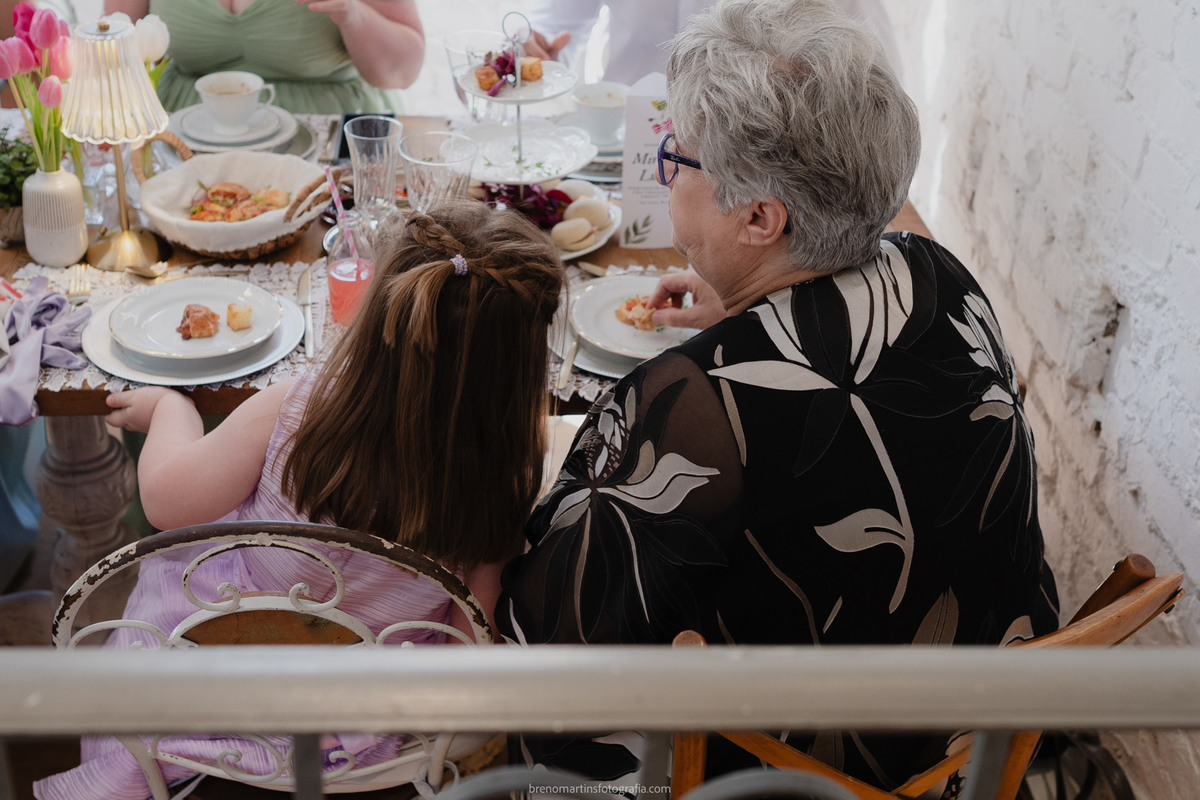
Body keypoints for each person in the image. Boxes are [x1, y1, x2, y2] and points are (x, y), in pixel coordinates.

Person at [497, 0, 1059, 794]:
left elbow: (539, 640)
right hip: (970, 738)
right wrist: (743, 307)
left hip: (790, 771)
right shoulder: (938, 272)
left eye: (676, 158)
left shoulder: (688, 409)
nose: (667, 174)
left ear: (762, 217)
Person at [33, 201, 565, 800]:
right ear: (522, 369)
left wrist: (171, 410)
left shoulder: (298, 407)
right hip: (351, 743)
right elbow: (474, 647)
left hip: (208, 684)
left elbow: (166, 500)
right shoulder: (498, 488)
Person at [105, 0, 424, 113]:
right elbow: (112, 53)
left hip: (329, 149)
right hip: (182, 144)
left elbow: (404, 72)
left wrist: (353, 13)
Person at [525, 0, 902, 85]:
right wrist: (530, 45)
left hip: (763, 174)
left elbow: (876, 79)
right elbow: (553, 21)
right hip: (623, 150)